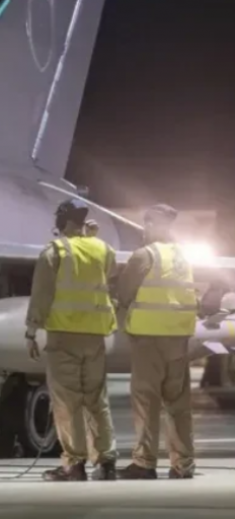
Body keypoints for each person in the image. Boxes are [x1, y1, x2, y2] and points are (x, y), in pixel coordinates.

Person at [25, 198, 118, 481]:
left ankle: (74, 465)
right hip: (95, 336)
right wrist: (90, 238)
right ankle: (106, 462)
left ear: (63, 221)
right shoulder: (103, 248)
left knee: (68, 402)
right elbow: (107, 273)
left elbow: (41, 295)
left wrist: (31, 331)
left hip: (64, 336)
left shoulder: (54, 251)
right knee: (96, 400)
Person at [116, 204, 198, 480]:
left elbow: (124, 293)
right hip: (179, 340)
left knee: (146, 403)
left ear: (150, 224)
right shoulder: (183, 255)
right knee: (178, 405)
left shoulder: (145, 255)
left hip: (149, 340)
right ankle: (183, 464)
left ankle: (144, 463)